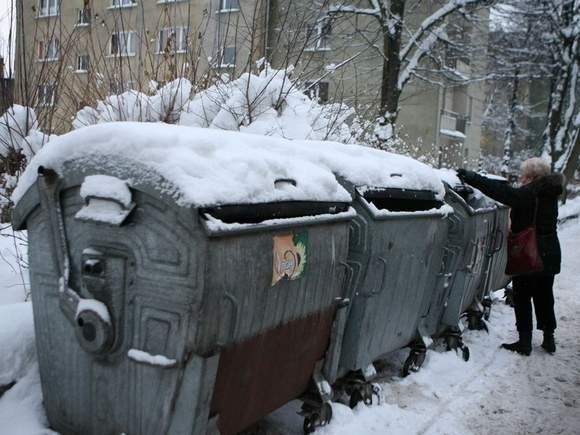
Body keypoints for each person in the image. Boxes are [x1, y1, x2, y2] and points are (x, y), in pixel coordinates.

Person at [457, 158, 563, 356]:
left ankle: (524, 342)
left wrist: (473, 178)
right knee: (544, 296)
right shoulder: (550, 193)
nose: (521, 179)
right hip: (550, 252)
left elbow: (502, 193)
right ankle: (549, 339)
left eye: (523, 175)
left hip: (530, 252)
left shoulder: (530, 193)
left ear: (532, 177)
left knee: (522, 295)